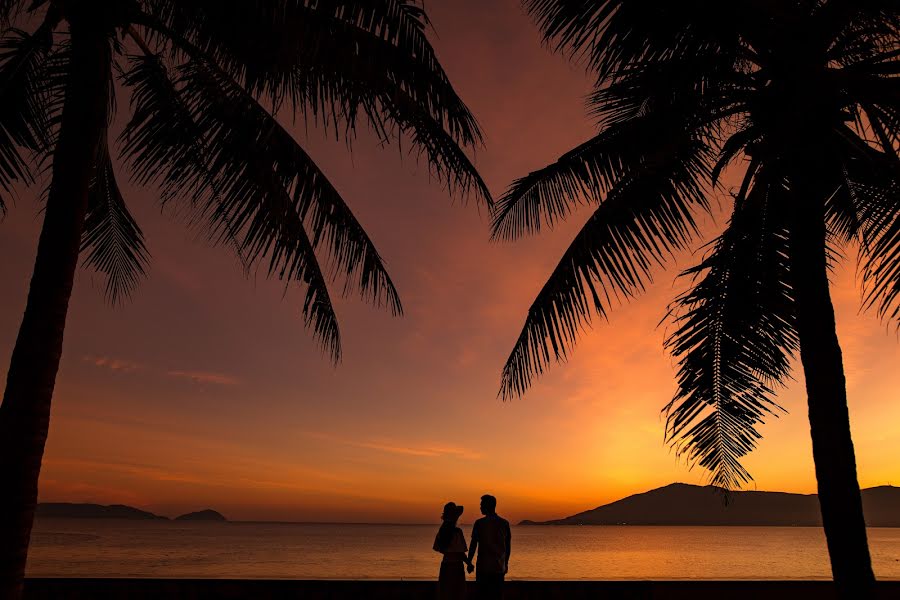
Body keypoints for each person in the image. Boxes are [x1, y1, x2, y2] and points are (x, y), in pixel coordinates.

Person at [466, 494, 511, 600]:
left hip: (483, 568)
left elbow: (473, 545)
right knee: (497, 595)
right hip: (499, 567)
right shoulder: (504, 523)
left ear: (488, 506)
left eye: (482, 505)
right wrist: (506, 563)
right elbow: (508, 547)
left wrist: (469, 562)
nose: (480, 507)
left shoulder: (479, 523)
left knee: (482, 595)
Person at [433, 501, 472, 600]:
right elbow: (460, 553)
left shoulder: (441, 531)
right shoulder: (457, 532)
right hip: (456, 566)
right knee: (457, 594)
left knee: (446, 593)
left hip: (445, 565)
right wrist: (469, 564)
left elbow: (438, 548)